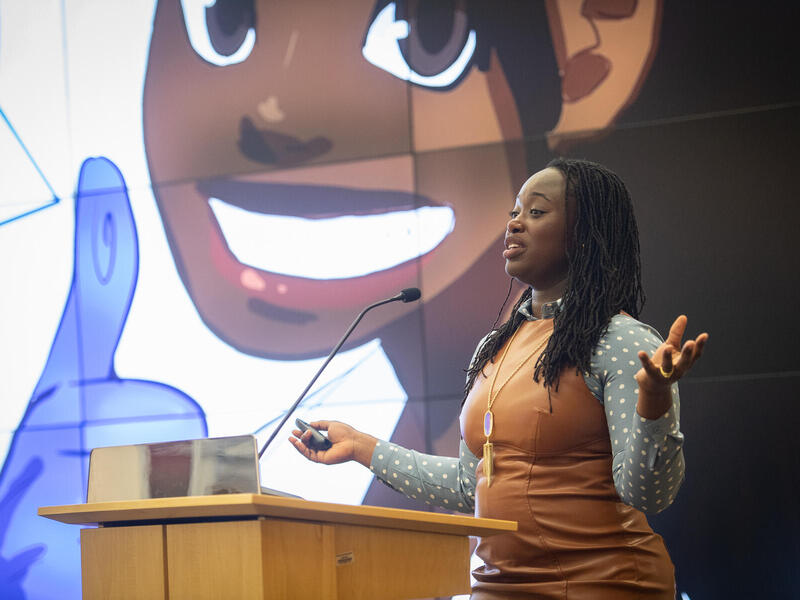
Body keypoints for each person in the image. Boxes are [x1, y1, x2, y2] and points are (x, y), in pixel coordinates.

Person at [290, 158, 708, 599]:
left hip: (601, 583)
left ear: (585, 234)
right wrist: (361, 446)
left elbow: (649, 493)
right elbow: (469, 485)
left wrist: (654, 402)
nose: (515, 225)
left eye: (536, 212)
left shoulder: (620, 340)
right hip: (498, 587)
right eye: (513, 213)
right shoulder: (495, 347)